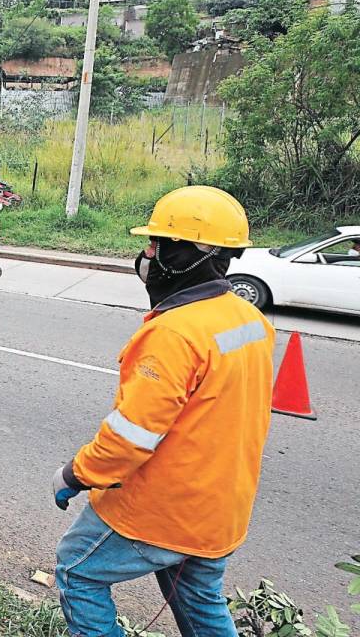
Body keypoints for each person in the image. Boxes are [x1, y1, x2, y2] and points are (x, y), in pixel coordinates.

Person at [51, 186, 275, 637]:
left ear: (190, 254)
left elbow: (131, 437)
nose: (147, 255)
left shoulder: (174, 333)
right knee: (201, 602)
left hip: (164, 510)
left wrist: (75, 474)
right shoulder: (251, 321)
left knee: (78, 572)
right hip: (220, 511)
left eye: (158, 244)